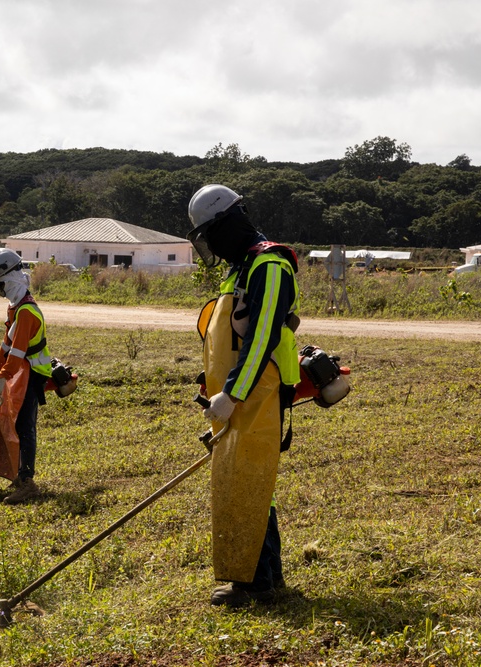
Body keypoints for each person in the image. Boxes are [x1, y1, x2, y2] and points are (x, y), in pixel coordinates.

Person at [187, 184, 301, 608]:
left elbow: (262, 337)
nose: (211, 245)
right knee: (245, 483)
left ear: (230, 224)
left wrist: (232, 393)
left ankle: (256, 584)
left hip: (257, 393)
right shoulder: (241, 268)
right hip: (236, 395)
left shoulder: (270, 265)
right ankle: (264, 577)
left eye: (212, 234)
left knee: (250, 480)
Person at [0, 249, 52, 505]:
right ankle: (18, 477)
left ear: (9, 278)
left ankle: (27, 482)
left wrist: (3, 377)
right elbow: (7, 346)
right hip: (21, 370)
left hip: (33, 373)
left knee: (24, 427)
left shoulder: (26, 312)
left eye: (0, 283)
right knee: (14, 423)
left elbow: (19, 350)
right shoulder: (16, 309)